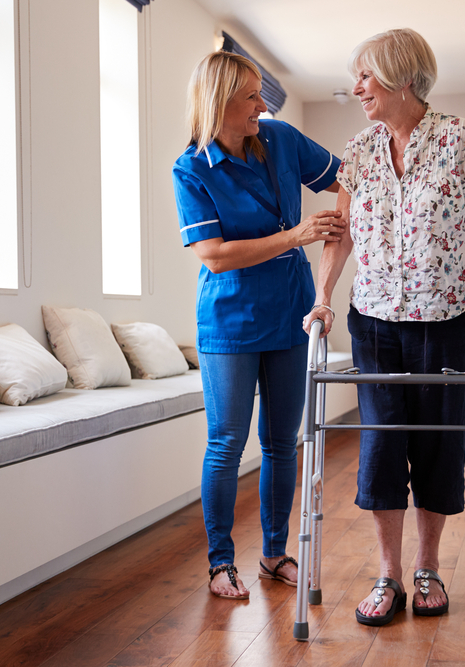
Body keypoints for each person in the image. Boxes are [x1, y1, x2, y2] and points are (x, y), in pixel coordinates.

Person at [303, 28, 465, 625]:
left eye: (365, 77)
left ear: (401, 78)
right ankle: (389, 577)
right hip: (375, 321)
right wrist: (323, 296)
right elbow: (342, 234)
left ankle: (427, 570)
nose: (357, 89)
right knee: (380, 443)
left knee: (438, 442)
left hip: (451, 320)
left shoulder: (462, 141)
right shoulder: (361, 151)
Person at [172, 51, 346, 600]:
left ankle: (274, 554)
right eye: (250, 95)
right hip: (230, 321)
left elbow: (351, 176)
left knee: (280, 442)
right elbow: (215, 255)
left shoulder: (281, 139)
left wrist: (337, 255)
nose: (261, 103)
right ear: (219, 102)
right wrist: (297, 236)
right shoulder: (191, 169)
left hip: (292, 311)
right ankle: (220, 562)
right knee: (226, 442)